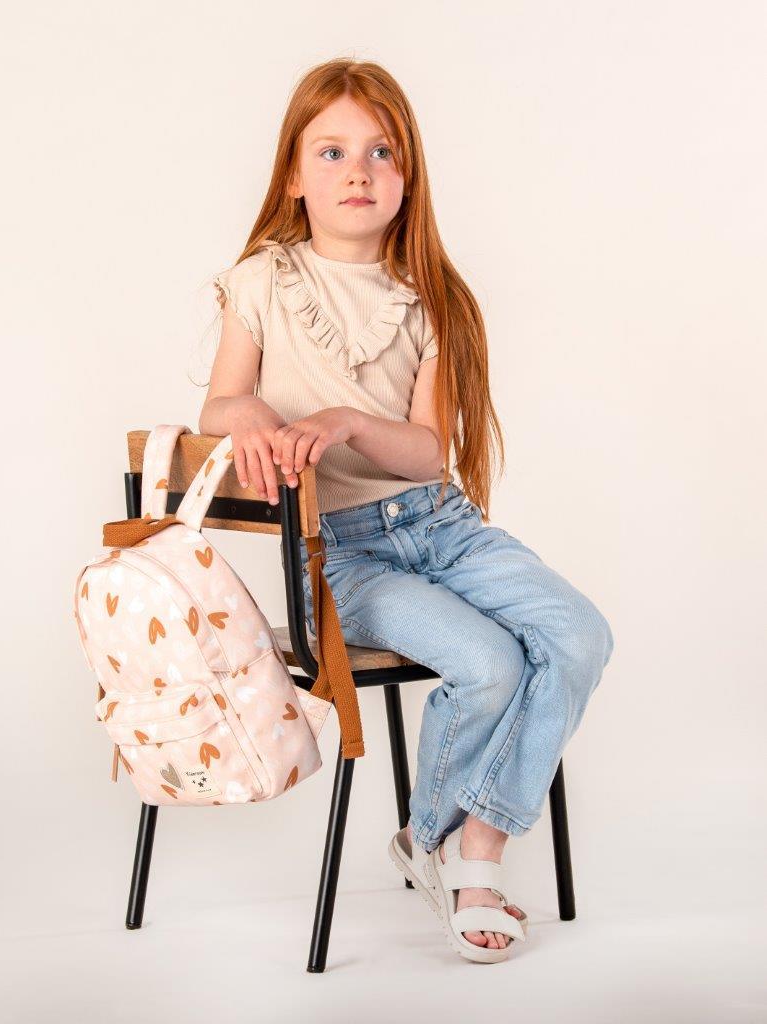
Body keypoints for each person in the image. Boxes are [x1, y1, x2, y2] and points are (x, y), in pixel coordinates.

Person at [197, 58, 614, 963]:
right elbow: (217, 407)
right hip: (339, 555)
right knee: (488, 663)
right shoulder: (261, 282)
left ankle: (454, 839)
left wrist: (348, 422)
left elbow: (429, 450)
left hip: (441, 526)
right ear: (293, 176)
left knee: (578, 635)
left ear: (407, 174)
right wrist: (252, 414)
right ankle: (465, 863)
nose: (358, 170)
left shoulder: (431, 298)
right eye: (332, 151)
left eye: (381, 152)